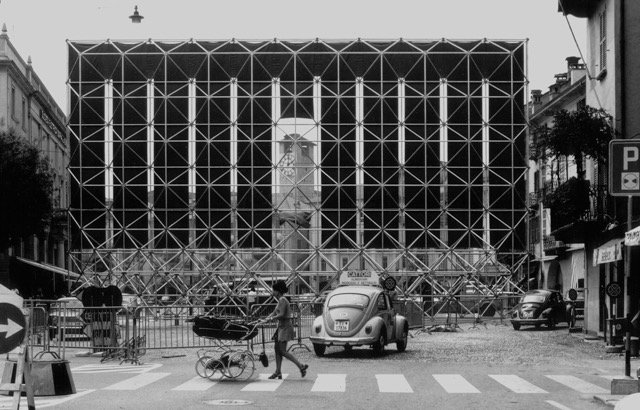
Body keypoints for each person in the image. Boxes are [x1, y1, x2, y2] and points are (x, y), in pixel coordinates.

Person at [261, 280, 308, 379]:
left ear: (277, 291)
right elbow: (274, 312)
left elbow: (281, 314)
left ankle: (301, 366)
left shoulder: (282, 300)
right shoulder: (281, 300)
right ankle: (278, 371)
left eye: (273, 290)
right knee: (277, 349)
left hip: (285, 327)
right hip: (281, 327)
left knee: (282, 351)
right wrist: (264, 320)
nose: (272, 292)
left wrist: (270, 319)